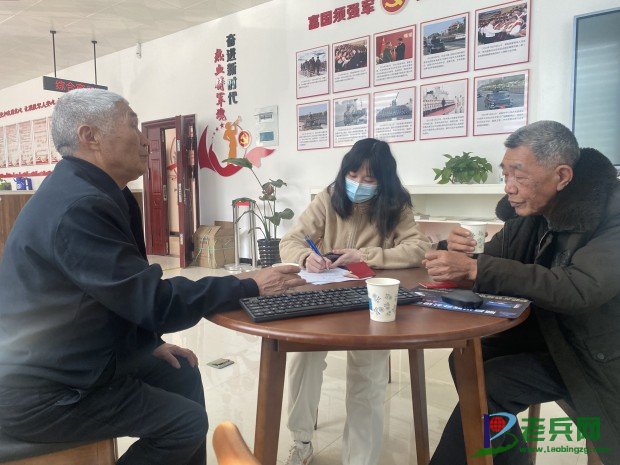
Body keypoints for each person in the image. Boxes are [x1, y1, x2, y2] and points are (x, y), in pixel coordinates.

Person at [0, 89, 305, 465]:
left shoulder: (100, 191)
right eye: (132, 124)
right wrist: (249, 284)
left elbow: (119, 293)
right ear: (90, 136)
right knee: (184, 424)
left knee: (182, 372)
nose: (145, 141)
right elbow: (152, 301)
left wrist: (145, 344)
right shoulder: (80, 206)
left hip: (77, 358)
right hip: (44, 390)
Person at [424, 121, 620, 465]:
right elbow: (492, 261)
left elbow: (579, 288)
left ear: (562, 176)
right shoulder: (530, 213)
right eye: (505, 174)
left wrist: (476, 269)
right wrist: (456, 253)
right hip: (550, 334)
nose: (509, 188)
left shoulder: (611, 212)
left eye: (519, 175)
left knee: (493, 384)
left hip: (597, 349)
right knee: (467, 358)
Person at [279, 138, 431, 465]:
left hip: (372, 298)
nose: (359, 183)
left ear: (383, 180)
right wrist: (306, 257)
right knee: (303, 360)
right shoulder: (329, 197)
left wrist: (365, 255)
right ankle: (301, 440)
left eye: (369, 178)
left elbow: (418, 248)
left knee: (368, 375)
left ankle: (360, 459)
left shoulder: (396, 204)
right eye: (353, 174)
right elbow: (290, 240)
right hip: (325, 294)